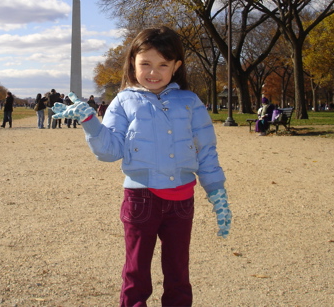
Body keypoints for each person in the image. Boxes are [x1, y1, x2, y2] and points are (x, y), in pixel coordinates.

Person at [52, 26, 231, 307]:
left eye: (163, 64)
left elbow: (206, 150)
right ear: (132, 63)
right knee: (136, 274)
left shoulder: (190, 102)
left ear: (177, 66)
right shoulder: (123, 101)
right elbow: (110, 151)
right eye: (145, 64)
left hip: (182, 198)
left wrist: (217, 192)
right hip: (141, 198)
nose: (153, 72)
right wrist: (90, 123)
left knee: (178, 273)